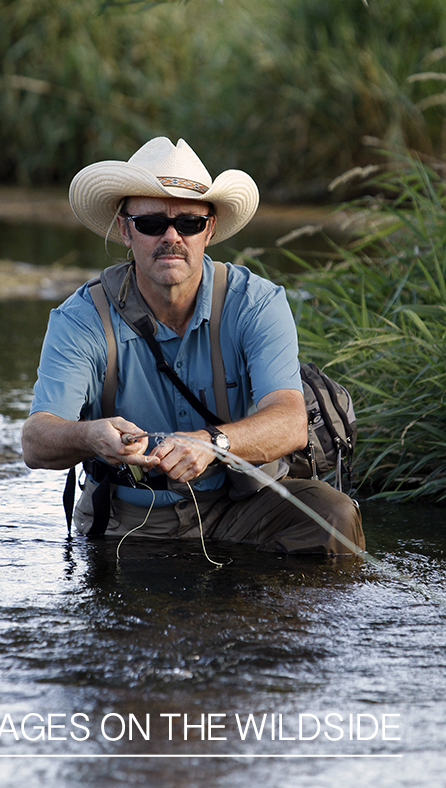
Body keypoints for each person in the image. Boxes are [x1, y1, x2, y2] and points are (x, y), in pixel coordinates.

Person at [22, 137, 365, 555]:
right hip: (128, 521)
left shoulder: (258, 303)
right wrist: (91, 436)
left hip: (244, 503)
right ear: (124, 229)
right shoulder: (80, 318)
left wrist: (210, 443)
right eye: (151, 224)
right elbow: (36, 441)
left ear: (211, 229)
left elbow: (290, 421)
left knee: (335, 517)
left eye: (188, 223)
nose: (172, 237)